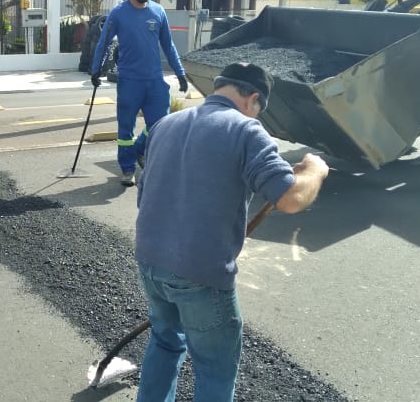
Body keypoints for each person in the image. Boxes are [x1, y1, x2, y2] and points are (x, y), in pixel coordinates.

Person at [133, 62, 330, 402]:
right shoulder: (246, 131)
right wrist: (315, 171)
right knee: (214, 367)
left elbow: (146, 195)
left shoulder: (165, 124)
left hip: (150, 262)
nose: (256, 118)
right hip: (201, 275)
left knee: (165, 342)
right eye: (258, 110)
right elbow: (290, 199)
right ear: (252, 99)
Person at [89, 0, 188, 187]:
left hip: (154, 81)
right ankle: (127, 169)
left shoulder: (158, 11)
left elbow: (168, 46)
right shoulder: (118, 13)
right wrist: (96, 69)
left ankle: (138, 150)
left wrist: (180, 73)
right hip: (129, 81)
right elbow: (104, 43)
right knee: (125, 129)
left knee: (159, 125)